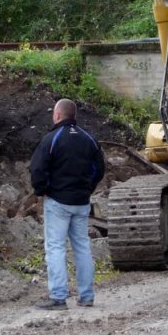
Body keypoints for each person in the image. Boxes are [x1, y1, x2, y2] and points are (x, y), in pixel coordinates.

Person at [28, 98, 105, 311]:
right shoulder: (88, 139)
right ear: (74, 116)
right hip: (81, 202)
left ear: (58, 115)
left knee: (55, 247)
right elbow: (99, 169)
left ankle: (58, 297)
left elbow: (37, 169)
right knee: (82, 247)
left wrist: (42, 191)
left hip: (58, 202)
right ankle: (86, 295)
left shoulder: (52, 139)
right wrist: (87, 189)